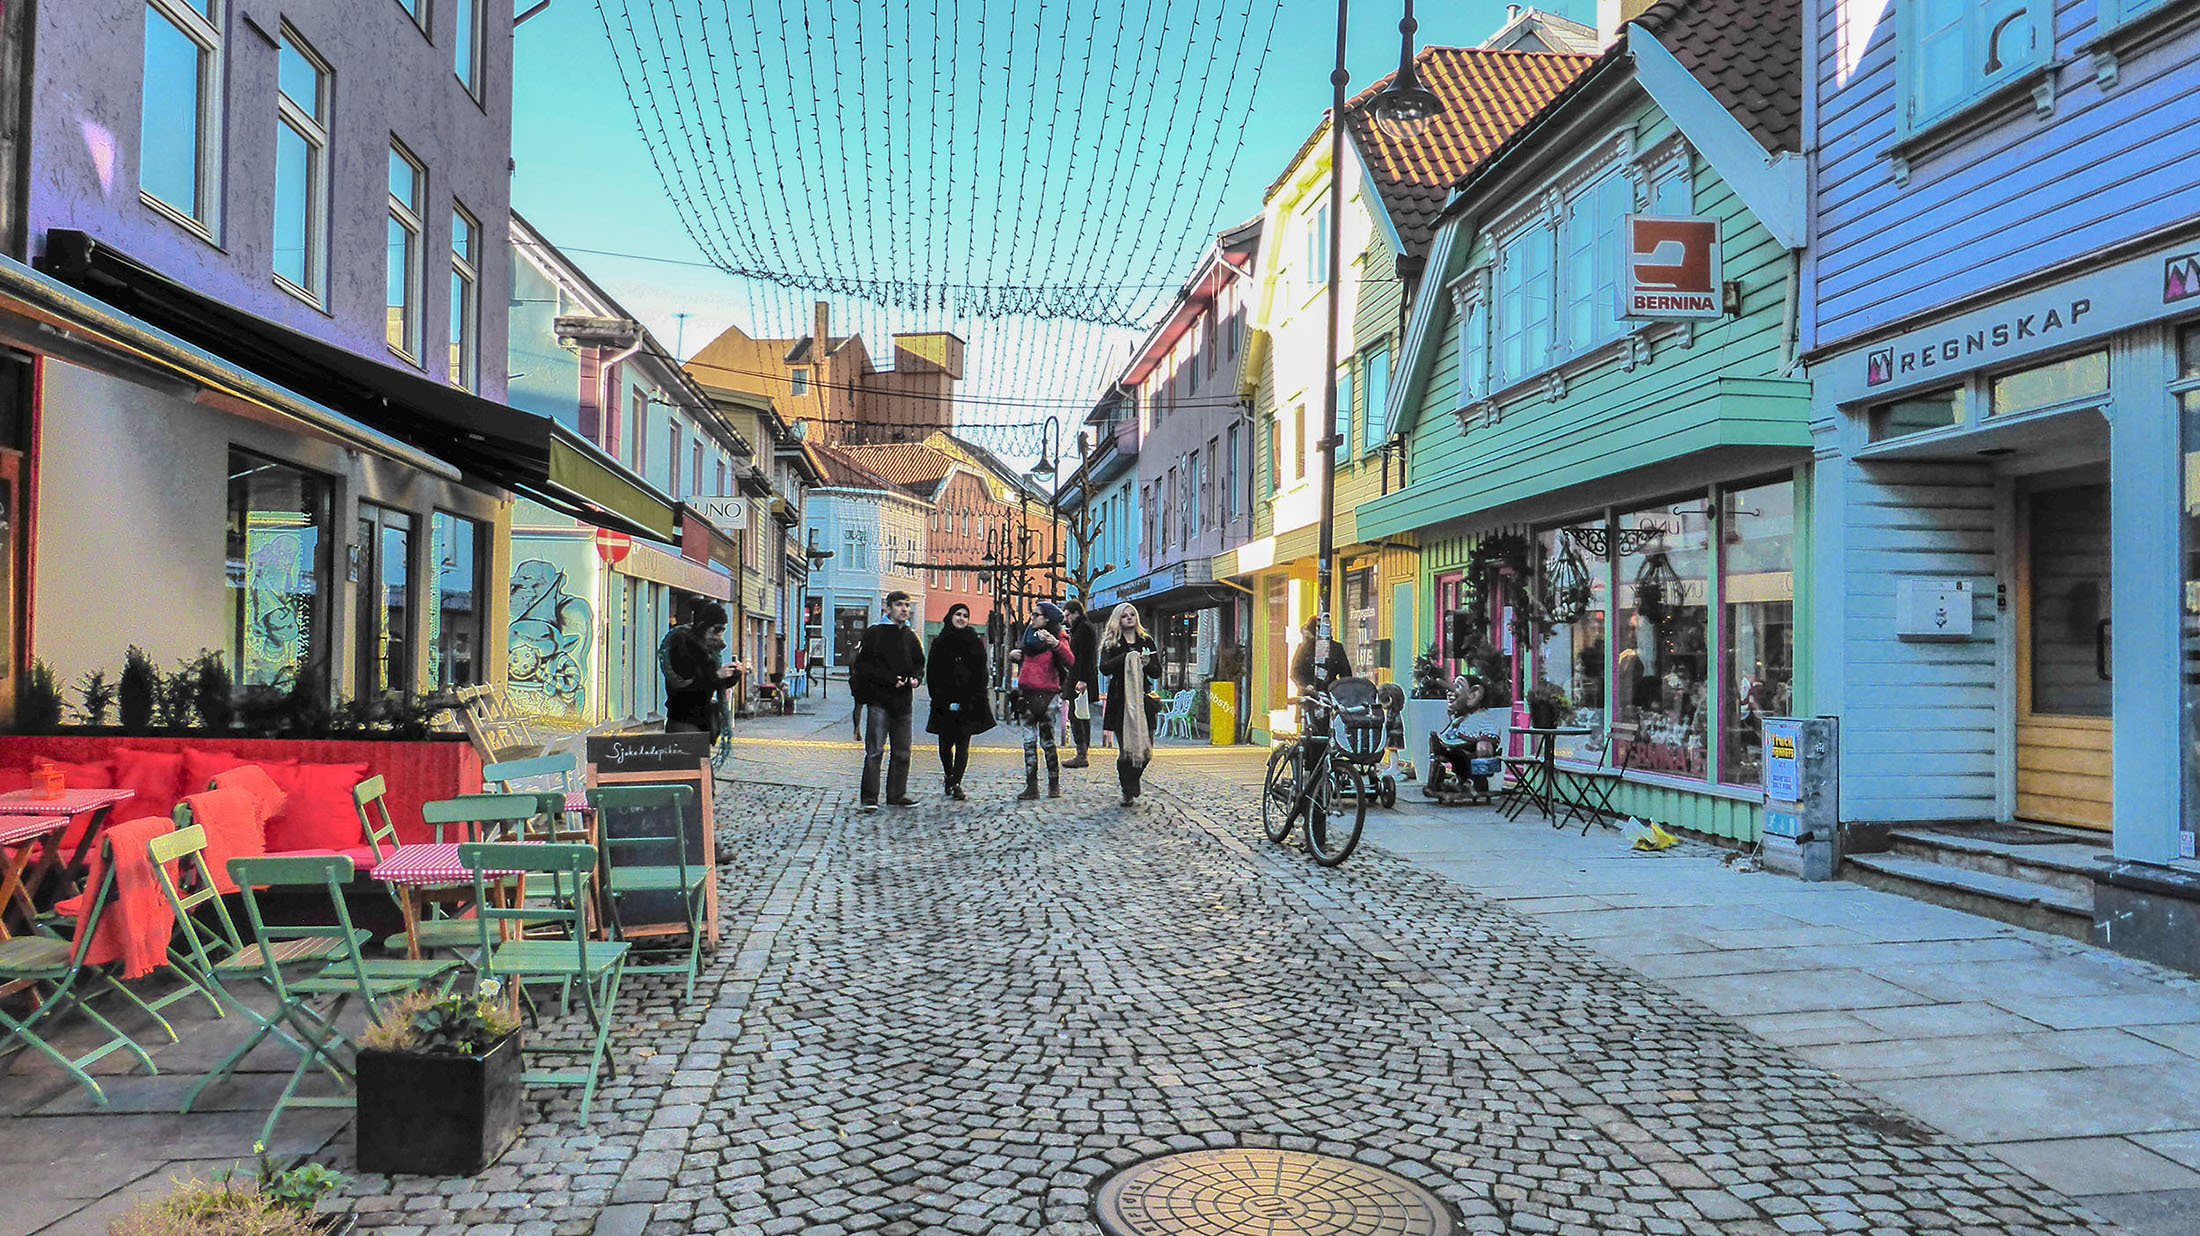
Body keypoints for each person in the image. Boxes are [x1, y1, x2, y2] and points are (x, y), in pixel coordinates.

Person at [849, 590, 925, 812]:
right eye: (900, 605)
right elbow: (864, 667)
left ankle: (896, 794)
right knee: (875, 751)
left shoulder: (910, 636)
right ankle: (869, 798)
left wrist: (916, 678)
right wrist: (891, 680)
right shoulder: (875, 633)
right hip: (880, 701)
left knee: (903, 751)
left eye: (907, 605)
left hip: (903, 703)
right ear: (888, 608)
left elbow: (919, 663)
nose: (904, 609)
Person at [925, 603, 995, 801]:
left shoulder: (974, 642)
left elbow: (982, 672)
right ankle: (949, 775)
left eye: (965, 615)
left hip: (969, 701)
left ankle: (956, 783)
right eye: (958, 614)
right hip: (943, 701)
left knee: (963, 744)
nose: (962, 618)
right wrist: (937, 697)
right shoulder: (940, 642)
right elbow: (932, 672)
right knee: (945, 745)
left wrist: (977, 696)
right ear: (951, 616)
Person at [1098, 603, 1161, 806]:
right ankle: (1127, 787)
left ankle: (1132, 779)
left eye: (1132, 614)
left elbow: (1156, 671)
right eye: (1124, 615)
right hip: (1120, 701)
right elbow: (1104, 668)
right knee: (1126, 751)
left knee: (1146, 750)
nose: (1129, 618)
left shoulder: (1146, 640)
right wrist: (1126, 658)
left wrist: (1146, 663)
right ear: (1118, 619)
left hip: (1143, 699)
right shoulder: (1112, 642)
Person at [1013, 602, 1075, 800]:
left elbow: (1071, 660)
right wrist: (1015, 656)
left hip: (1048, 695)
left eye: (1036, 615)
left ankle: (1053, 784)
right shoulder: (1028, 635)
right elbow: (1026, 660)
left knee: (1047, 742)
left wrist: (1054, 644)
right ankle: (1031, 786)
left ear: (1047, 618)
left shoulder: (1057, 636)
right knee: (1028, 742)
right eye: (1032, 614)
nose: (1032, 618)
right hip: (1027, 694)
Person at [661, 601, 742, 738]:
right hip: (684, 720)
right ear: (703, 626)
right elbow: (686, 688)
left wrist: (733, 674)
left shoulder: (709, 650)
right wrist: (716, 675)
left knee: (701, 759)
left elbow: (713, 684)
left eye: (723, 629)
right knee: (690, 759)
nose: (720, 634)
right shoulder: (682, 645)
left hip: (701, 721)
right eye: (716, 629)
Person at [1427, 673, 1506, 803]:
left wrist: (1485, 743)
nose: (1449, 692)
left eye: (1457, 687)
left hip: (1470, 755)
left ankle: (1470, 782)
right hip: (1460, 752)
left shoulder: (1480, 717)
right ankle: (1441, 782)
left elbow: (1490, 731)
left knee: (1460, 756)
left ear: (1473, 694)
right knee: (1439, 748)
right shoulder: (1461, 718)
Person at [1062, 601, 1100, 768]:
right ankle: (1083, 751)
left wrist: (1083, 679)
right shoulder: (1080, 628)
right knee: (1079, 714)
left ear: (1076, 613)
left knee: (1077, 715)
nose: (1067, 619)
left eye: (1068, 615)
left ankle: (1082, 753)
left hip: (1080, 679)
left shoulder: (1084, 628)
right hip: (1078, 677)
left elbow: (1086, 656)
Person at [1290, 616, 1354, 694]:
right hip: (1309, 695)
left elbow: (1345, 673)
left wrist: (1341, 690)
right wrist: (1306, 685)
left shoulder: (1336, 647)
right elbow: (1295, 672)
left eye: (1329, 627)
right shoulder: (1304, 647)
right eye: (1325, 627)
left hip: (1330, 693)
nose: (1330, 629)